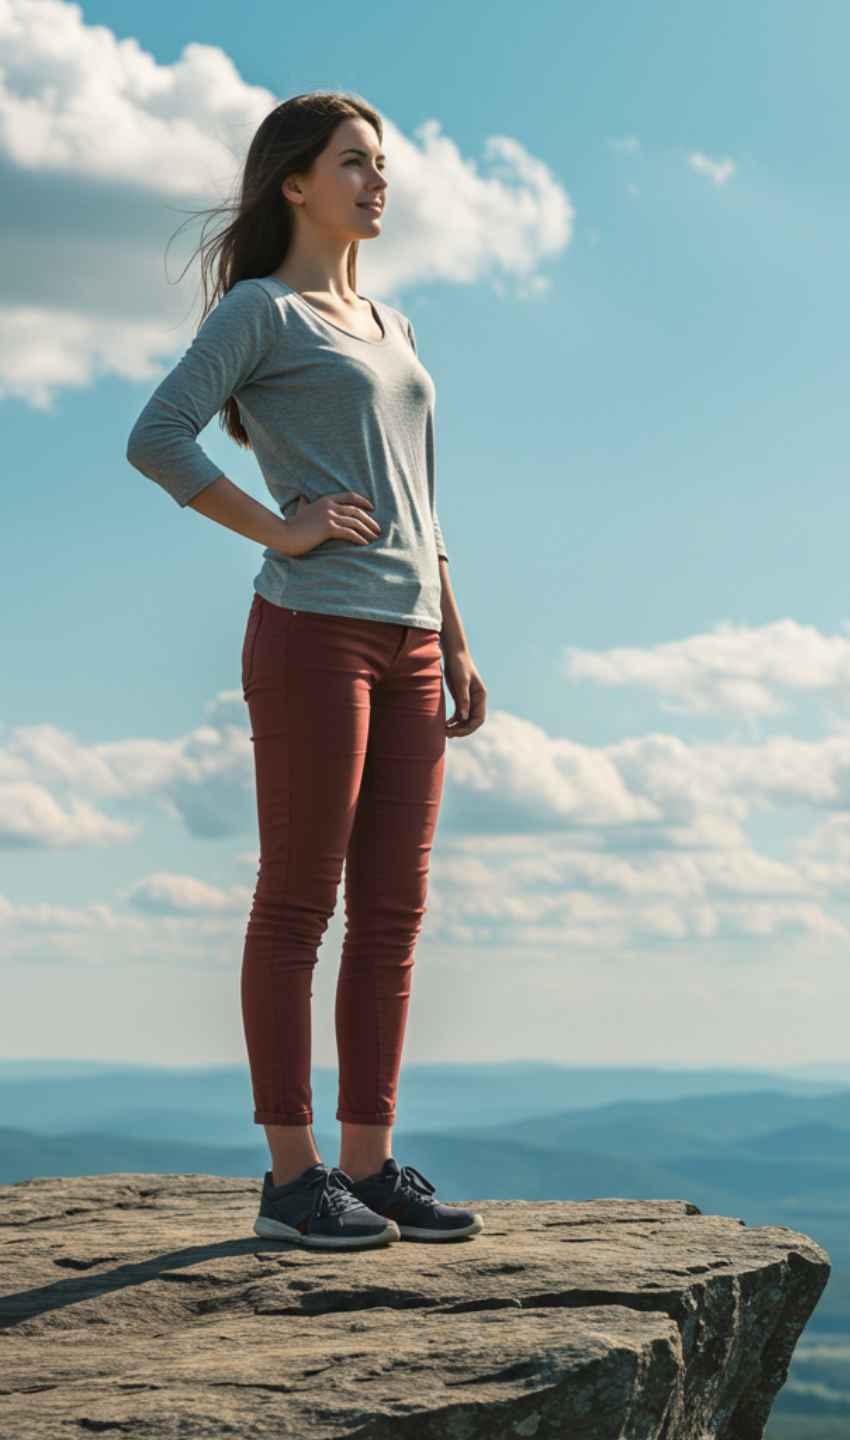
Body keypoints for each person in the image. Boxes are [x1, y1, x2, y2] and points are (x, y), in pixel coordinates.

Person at [126, 90, 486, 1250]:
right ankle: (293, 1178)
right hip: (312, 630)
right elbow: (157, 434)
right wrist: (281, 529)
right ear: (295, 182)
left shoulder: (394, 324)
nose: (380, 183)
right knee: (298, 904)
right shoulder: (262, 311)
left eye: (384, 165)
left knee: (393, 912)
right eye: (357, 164)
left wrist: (458, 631)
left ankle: (370, 1168)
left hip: (410, 636)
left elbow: (421, 499)